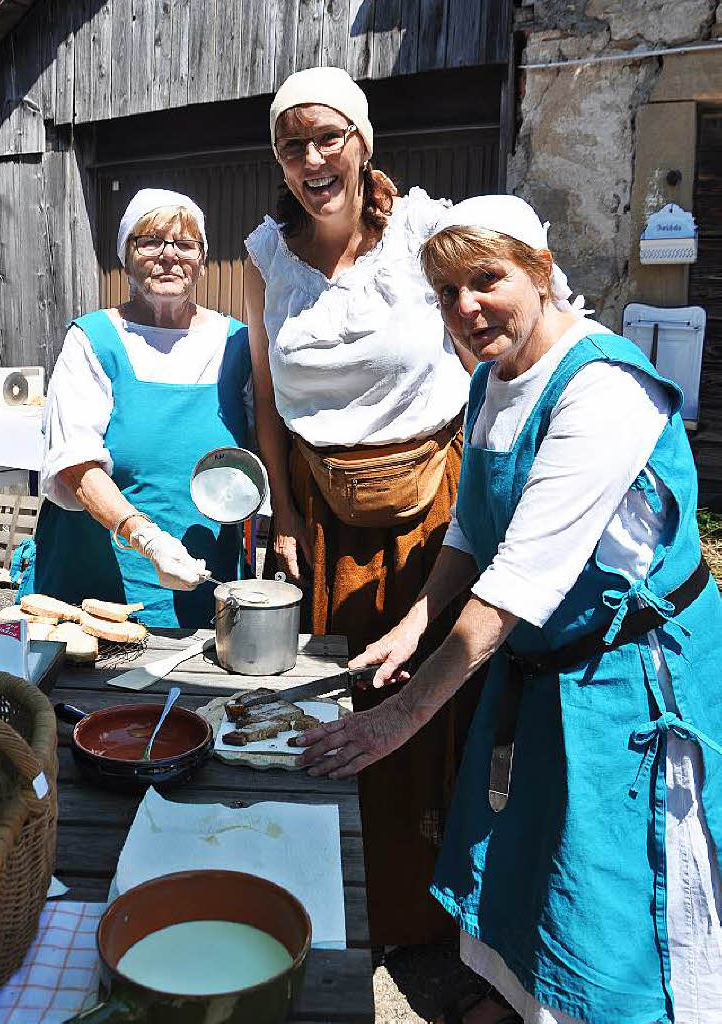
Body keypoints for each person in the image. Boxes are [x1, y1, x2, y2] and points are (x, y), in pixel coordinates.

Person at [296, 195, 722, 1024]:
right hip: (547, 664)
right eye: (446, 291)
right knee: (529, 852)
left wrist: (398, 719)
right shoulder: (497, 377)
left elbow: (520, 579)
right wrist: (415, 622)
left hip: (627, 676)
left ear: (538, 272)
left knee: (611, 875)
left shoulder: (602, 389)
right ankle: (529, 1001)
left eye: (485, 279)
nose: (466, 308)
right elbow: (472, 526)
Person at [244, 66, 475, 945]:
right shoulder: (267, 255)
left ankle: (426, 915)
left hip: (429, 510)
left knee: (422, 697)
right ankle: (334, 898)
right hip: (323, 512)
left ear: (363, 141)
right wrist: (287, 517)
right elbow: (268, 401)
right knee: (331, 698)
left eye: (327, 136)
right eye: (292, 142)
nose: (311, 158)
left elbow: (506, 323)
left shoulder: (425, 229)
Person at [20, 188, 252, 627]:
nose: (169, 256)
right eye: (149, 242)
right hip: (101, 583)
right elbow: (75, 463)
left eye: (185, 244)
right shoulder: (94, 340)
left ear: (202, 259)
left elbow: (267, 455)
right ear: (126, 256)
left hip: (202, 575)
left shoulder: (236, 343)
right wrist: (145, 537)